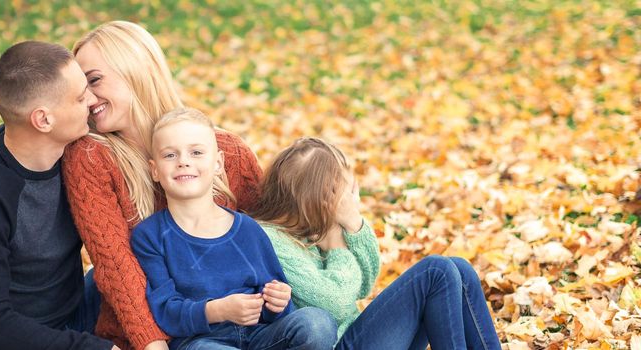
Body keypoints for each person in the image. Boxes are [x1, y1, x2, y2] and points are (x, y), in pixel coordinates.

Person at [62, 22, 262, 349]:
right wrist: (153, 345)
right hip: (159, 338)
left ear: (136, 70)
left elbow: (274, 240)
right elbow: (117, 269)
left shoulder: (228, 152)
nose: (87, 98)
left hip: (244, 328)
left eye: (94, 80)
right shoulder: (91, 158)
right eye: (80, 90)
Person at [251, 137, 502, 349]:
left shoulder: (311, 229)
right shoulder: (271, 240)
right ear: (317, 199)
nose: (349, 200)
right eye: (345, 193)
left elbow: (365, 284)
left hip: (358, 336)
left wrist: (354, 225)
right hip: (339, 344)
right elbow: (336, 303)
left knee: (459, 269)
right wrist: (338, 247)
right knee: (437, 271)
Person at [0, 41, 113, 349]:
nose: (92, 100)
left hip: (75, 314)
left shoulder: (76, 151)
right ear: (43, 120)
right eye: (79, 97)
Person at [130, 107, 337, 349]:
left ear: (218, 163)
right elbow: (165, 311)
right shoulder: (150, 236)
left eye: (196, 152)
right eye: (170, 156)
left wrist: (277, 302)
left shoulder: (247, 229)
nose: (184, 162)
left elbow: (275, 304)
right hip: (201, 341)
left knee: (317, 322)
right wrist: (218, 310)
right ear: (154, 170)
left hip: (259, 337)